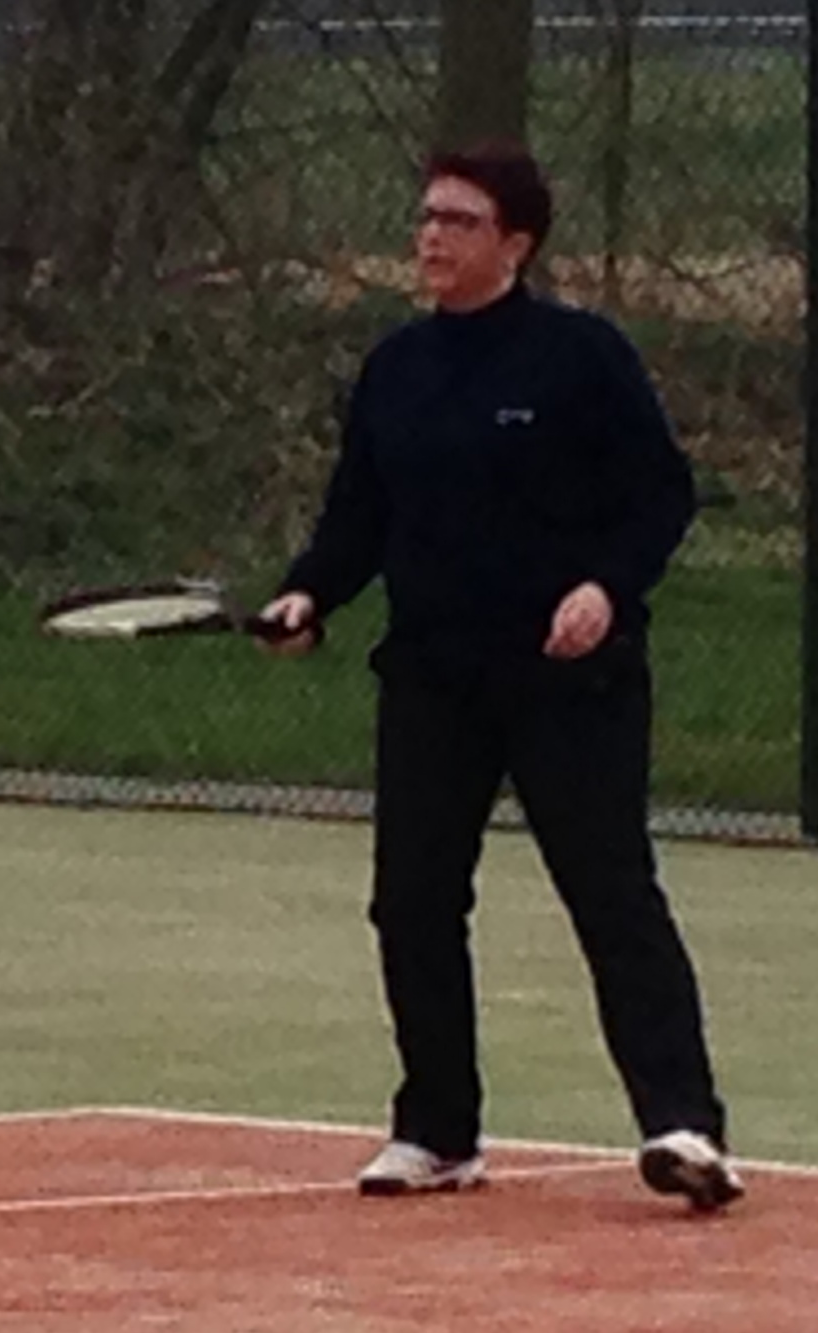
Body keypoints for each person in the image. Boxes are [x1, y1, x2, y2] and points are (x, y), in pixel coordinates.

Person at [257, 141, 740, 1212]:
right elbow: (358, 519)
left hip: (572, 683)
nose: (432, 237)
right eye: (427, 217)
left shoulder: (582, 357)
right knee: (412, 903)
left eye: (459, 221)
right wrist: (308, 595)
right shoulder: (395, 369)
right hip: (432, 680)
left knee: (610, 894)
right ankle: (437, 1132)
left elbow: (660, 496)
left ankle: (685, 1127)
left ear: (515, 244)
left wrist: (604, 587)